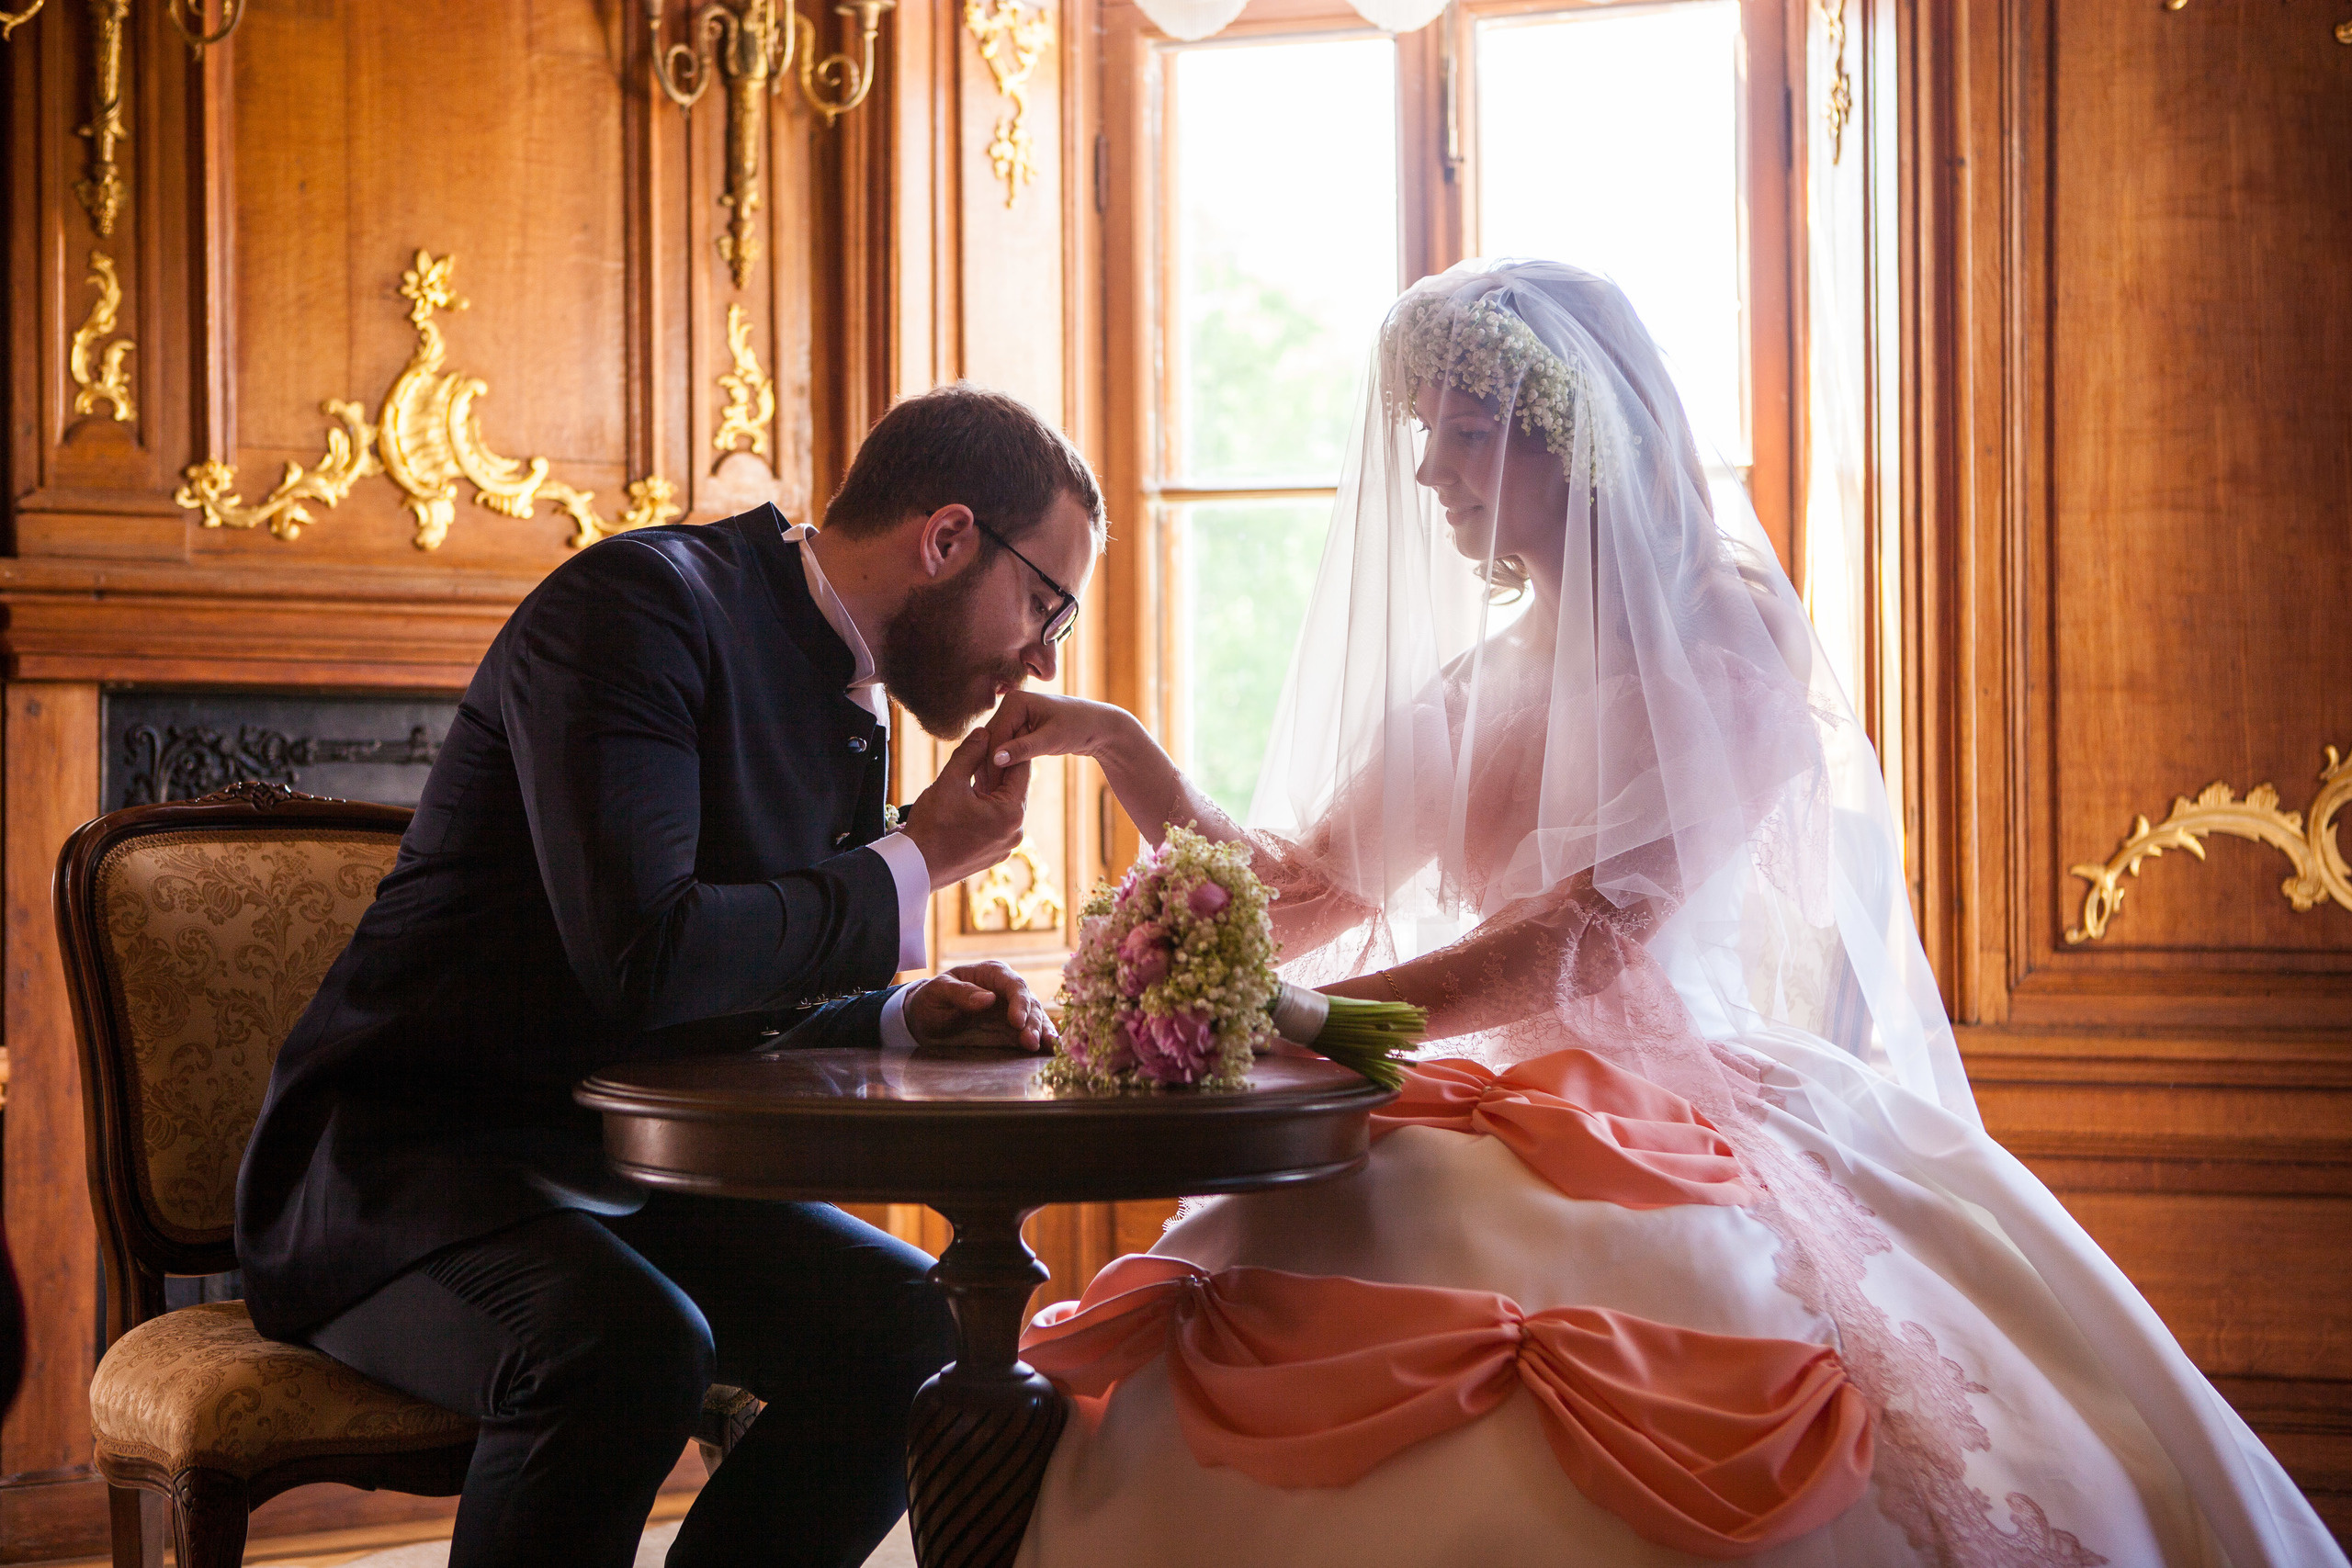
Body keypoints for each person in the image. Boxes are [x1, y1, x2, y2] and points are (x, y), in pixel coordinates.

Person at [983, 263, 2346, 1566]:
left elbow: (1590, 929)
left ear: (1573, 444)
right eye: (1423, 431)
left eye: (1462, 431)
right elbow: (1303, 892)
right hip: (1461, 1077)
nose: (1426, 472)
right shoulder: (1477, 684)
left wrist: (1337, 1025)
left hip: (1672, 1096)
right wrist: (1121, 749)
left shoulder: (1722, 636)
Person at [235, 383, 1104, 1568]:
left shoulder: (850, 686)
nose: (1039, 659)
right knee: (627, 1350)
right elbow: (646, 959)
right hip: (408, 1170)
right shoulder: (634, 608)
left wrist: (902, 1017)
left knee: (917, 1327)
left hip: (618, 1173)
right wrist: (915, 858)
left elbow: (730, 990)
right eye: (1047, 604)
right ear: (947, 537)